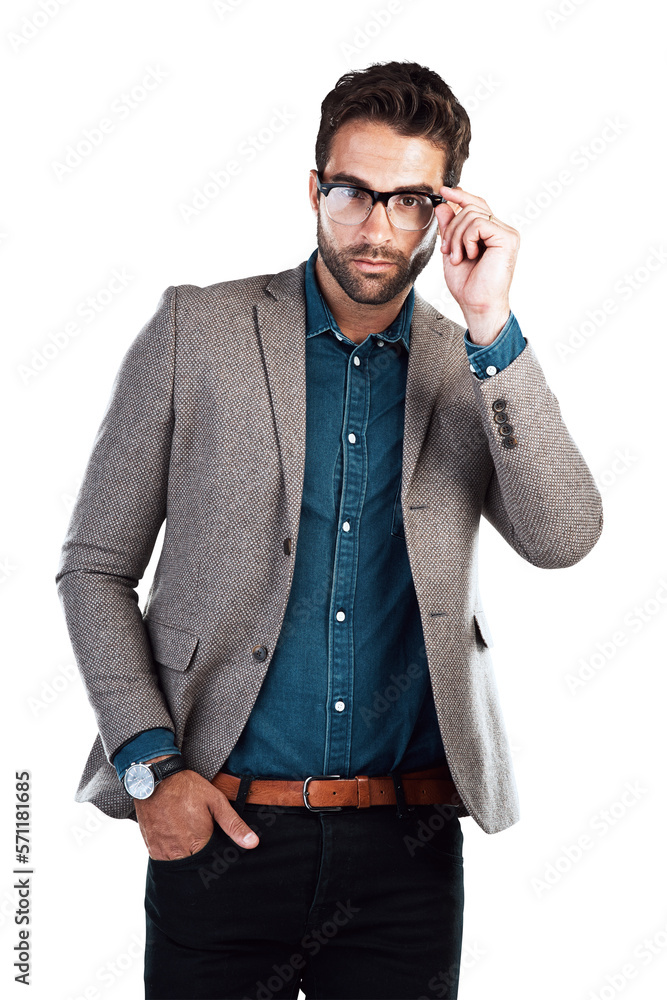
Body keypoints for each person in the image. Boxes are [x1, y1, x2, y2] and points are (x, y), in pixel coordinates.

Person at [55, 60, 603, 1000]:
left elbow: (563, 536)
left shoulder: (468, 364)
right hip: (220, 831)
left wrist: (492, 326)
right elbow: (95, 566)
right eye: (352, 193)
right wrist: (150, 767)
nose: (376, 227)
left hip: (406, 852)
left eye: (408, 201)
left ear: (444, 211)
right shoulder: (199, 330)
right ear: (316, 189)